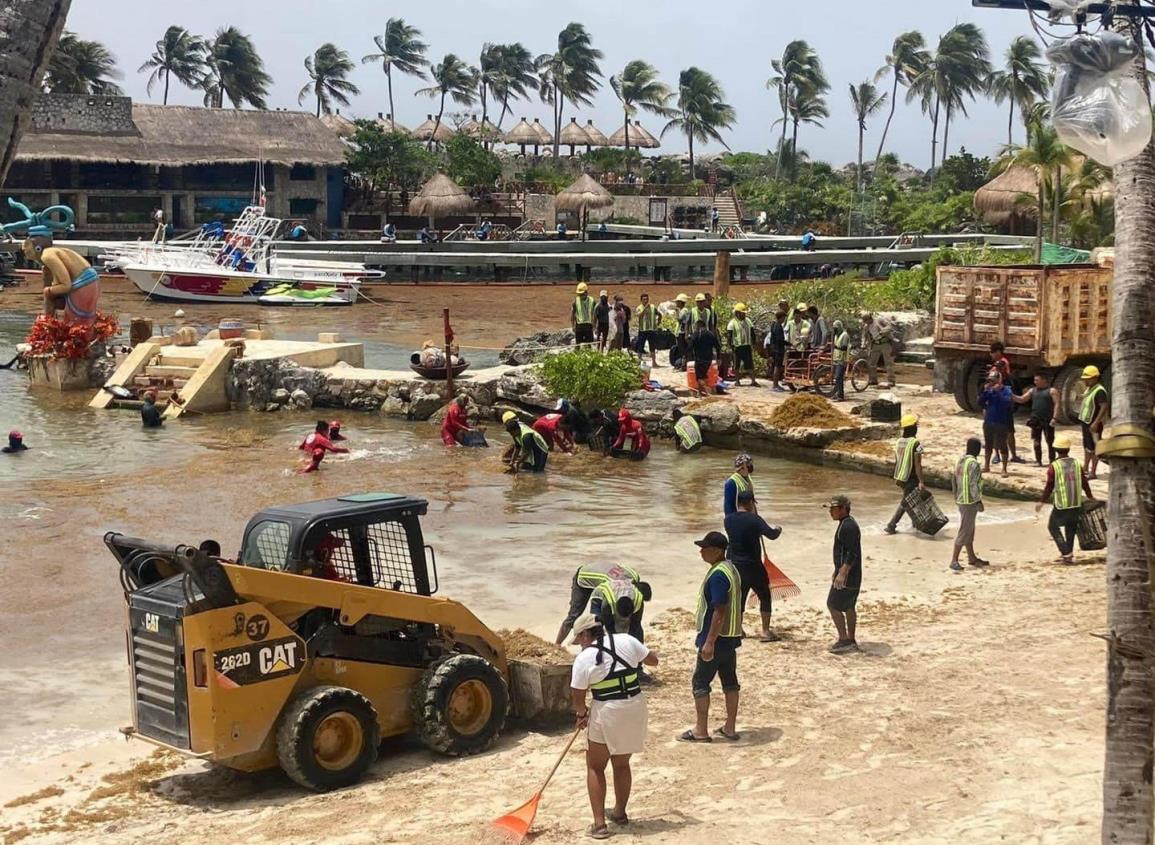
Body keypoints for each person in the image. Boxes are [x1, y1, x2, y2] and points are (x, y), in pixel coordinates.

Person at [570, 612, 658, 839]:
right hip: (634, 706)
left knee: (595, 767)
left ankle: (599, 825)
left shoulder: (585, 658)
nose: (580, 644)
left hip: (607, 710)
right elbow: (653, 661)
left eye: (579, 639)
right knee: (621, 763)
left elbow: (577, 693)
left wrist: (581, 714)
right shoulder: (627, 640)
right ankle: (619, 813)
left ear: (586, 634)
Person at [679, 531, 742, 743]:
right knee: (730, 682)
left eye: (704, 548)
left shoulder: (718, 575)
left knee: (700, 683)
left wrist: (709, 642)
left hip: (716, 639)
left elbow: (719, 610)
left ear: (716, 551)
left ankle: (701, 730)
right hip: (730, 638)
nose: (701, 551)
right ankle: (730, 727)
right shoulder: (730, 569)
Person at [724, 490, 782, 642]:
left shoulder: (728, 520)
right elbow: (771, 535)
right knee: (765, 596)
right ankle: (765, 631)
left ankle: (738, 629)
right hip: (753, 565)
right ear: (750, 502)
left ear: (738, 503)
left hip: (735, 566)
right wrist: (778, 529)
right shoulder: (754, 520)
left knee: (739, 598)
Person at [556, 563, 651, 644]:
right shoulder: (612, 588)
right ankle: (557, 645)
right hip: (584, 576)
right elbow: (606, 615)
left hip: (601, 570)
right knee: (575, 614)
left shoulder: (634, 578)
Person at [1037, 435, 1095, 564]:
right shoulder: (1076, 463)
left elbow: (1049, 486)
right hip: (1076, 502)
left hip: (1062, 504)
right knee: (1071, 528)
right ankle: (1068, 555)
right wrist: (1090, 496)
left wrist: (1041, 501)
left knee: (1052, 527)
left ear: (1056, 449)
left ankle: (1065, 552)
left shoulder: (1054, 466)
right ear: (1068, 449)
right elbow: (1085, 483)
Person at [825, 494, 862, 654]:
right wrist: (837, 570)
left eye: (833, 509)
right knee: (848, 606)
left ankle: (844, 640)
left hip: (848, 575)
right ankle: (851, 639)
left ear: (843, 509)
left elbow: (852, 553)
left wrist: (842, 572)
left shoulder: (847, 526)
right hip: (853, 575)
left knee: (832, 604)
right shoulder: (848, 524)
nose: (830, 512)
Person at [950, 437, 989, 571]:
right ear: (977, 449)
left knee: (969, 530)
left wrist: (956, 496)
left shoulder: (960, 460)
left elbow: (953, 479)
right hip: (970, 501)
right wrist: (979, 501)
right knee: (965, 530)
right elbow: (973, 484)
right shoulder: (974, 464)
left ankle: (971, 557)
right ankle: (954, 560)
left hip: (961, 499)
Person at [885, 413, 924, 534]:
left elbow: (897, 460)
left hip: (900, 476)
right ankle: (892, 524)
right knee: (906, 501)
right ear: (913, 427)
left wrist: (896, 476)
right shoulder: (916, 443)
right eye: (916, 425)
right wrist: (921, 481)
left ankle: (915, 523)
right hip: (910, 477)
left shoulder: (899, 442)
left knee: (910, 500)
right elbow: (918, 465)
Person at [1014, 371, 1060, 465]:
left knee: (1050, 442)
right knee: (1036, 441)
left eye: (1037, 380)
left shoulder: (1052, 391)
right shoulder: (1032, 391)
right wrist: (1010, 395)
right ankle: (1038, 461)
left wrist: (1054, 418)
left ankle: (1052, 461)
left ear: (1044, 380)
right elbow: (1022, 399)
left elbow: (1057, 404)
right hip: (1036, 419)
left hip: (1048, 419)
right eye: (1034, 380)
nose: (1035, 382)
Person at [988, 342, 1023, 465]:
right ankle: (1002, 455)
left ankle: (1004, 455)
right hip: (1000, 406)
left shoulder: (1002, 374)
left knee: (1006, 431)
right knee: (1004, 431)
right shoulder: (999, 371)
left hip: (1003, 406)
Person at [1078, 365, 1109, 480]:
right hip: (1086, 422)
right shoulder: (1090, 388)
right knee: (1087, 446)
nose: (1085, 380)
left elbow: (1104, 406)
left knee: (1095, 448)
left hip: (1094, 424)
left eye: (1087, 378)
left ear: (1095, 378)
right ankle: (1085, 468)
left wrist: (1096, 422)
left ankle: (1093, 472)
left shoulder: (1100, 391)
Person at [979, 371, 1012, 476]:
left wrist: (997, 392)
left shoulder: (1007, 390)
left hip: (1001, 421)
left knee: (1002, 445)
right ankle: (986, 465)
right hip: (989, 421)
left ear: (999, 379)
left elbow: (1006, 403)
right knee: (988, 444)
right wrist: (986, 391)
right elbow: (980, 402)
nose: (991, 382)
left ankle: (1004, 468)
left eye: (993, 380)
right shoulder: (989, 390)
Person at [726, 303, 758, 387]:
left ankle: (753, 381)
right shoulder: (732, 323)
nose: (744, 314)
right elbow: (729, 336)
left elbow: (752, 333)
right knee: (737, 365)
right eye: (742, 313)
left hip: (747, 346)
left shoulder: (748, 321)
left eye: (744, 313)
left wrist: (754, 343)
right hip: (737, 347)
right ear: (737, 313)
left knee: (750, 364)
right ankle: (737, 381)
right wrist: (731, 347)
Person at [860, 311, 896, 388]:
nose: (866, 323)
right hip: (875, 344)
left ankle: (891, 381)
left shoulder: (879, 320)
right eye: (865, 321)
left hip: (885, 343)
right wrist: (863, 344)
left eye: (867, 321)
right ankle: (873, 380)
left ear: (870, 318)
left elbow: (889, 326)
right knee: (872, 363)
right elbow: (864, 336)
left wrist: (882, 331)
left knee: (888, 363)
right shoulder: (866, 326)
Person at [689, 319, 720, 398]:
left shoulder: (696, 334)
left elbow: (690, 346)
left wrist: (688, 356)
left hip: (699, 359)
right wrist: (718, 358)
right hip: (708, 359)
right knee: (703, 375)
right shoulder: (711, 334)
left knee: (699, 377)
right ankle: (700, 393)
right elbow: (718, 346)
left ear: (698, 325)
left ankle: (707, 389)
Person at [635, 293, 660, 368]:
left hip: (651, 330)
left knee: (652, 346)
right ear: (641, 300)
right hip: (643, 330)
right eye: (644, 299)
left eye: (647, 299)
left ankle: (654, 362)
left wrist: (659, 321)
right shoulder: (639, 308)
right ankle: (639, 361)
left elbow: (658, 313)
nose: (646, 301)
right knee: (640, 346)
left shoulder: (652, 307)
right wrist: (645, 308)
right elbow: (639, 316)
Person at [765, 309, 787, 392]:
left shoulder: (774, 325)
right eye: (784, 317)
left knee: (777, 367)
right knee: (777, 368)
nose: (784, 319)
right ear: (781, 317)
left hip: (775, 349)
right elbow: (779, 339)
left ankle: (776, 384)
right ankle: (775, 385)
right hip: (778, 350)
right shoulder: (777, 326)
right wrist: (788, 344)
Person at [830, 319, 851, 401]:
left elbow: (844, 347)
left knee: (839, 377)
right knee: (836, 377)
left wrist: (836, 347)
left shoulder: (845, 335)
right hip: (836, 358)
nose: (835, 330)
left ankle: (841, 395)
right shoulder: (836, 335)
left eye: (836, 328)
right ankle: (836, 393)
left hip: (842, 359)